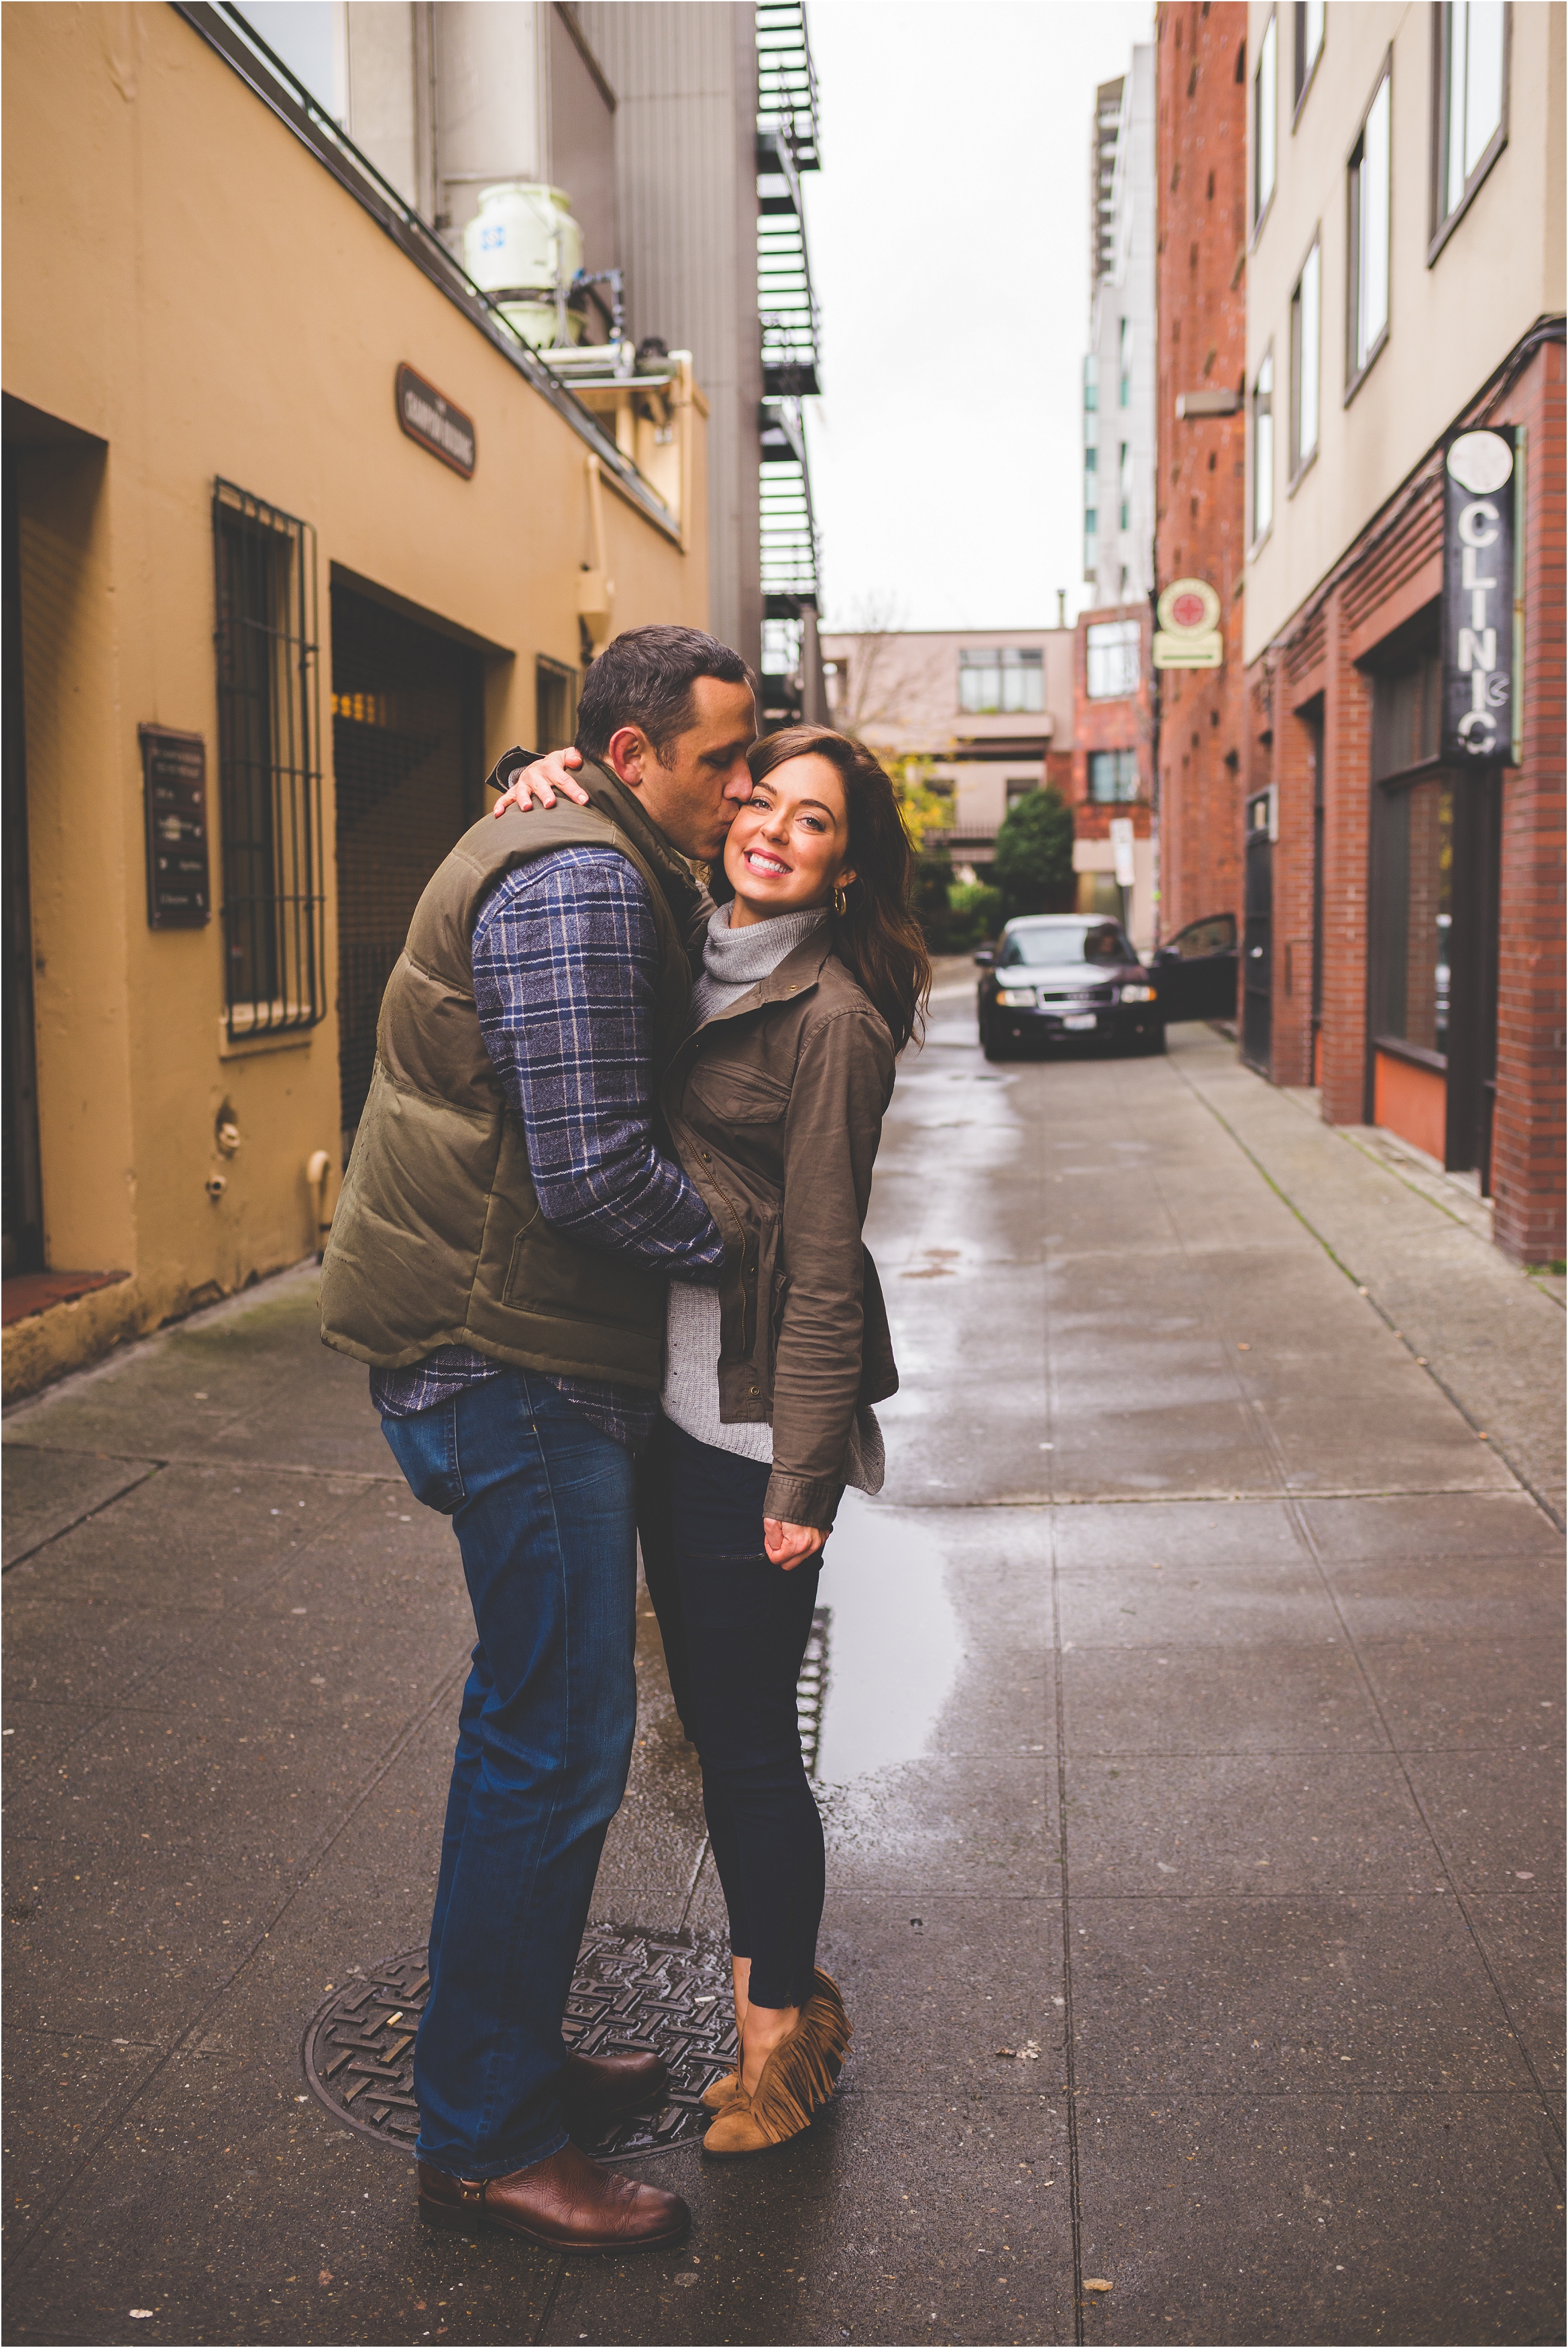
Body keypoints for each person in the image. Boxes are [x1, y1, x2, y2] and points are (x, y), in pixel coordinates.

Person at [319, 626, 762, 2251]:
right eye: (719, 757)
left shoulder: (595, 844)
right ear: (634, 753)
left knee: (535, 1733)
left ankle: (500, 2052)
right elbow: (589, 1173)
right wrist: (751, 1237)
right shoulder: (582, 881)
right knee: (552, 1745)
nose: (743, 783)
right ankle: (487, 2136)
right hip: (506, 1364)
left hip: (513, 1351)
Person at [494, 722, 929, 2155]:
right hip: (645, 1404)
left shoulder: (834, 1017)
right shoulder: (681, 930)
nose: (769, 830)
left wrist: (803, 1473)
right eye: (759, 801)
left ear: (843, 862)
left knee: (741, 1741)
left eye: (809, 823)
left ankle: (777, 2048)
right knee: (699, 1718)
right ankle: (778, 2014)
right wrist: (534, 773)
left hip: (744, 1424)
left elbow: (820, 1261)